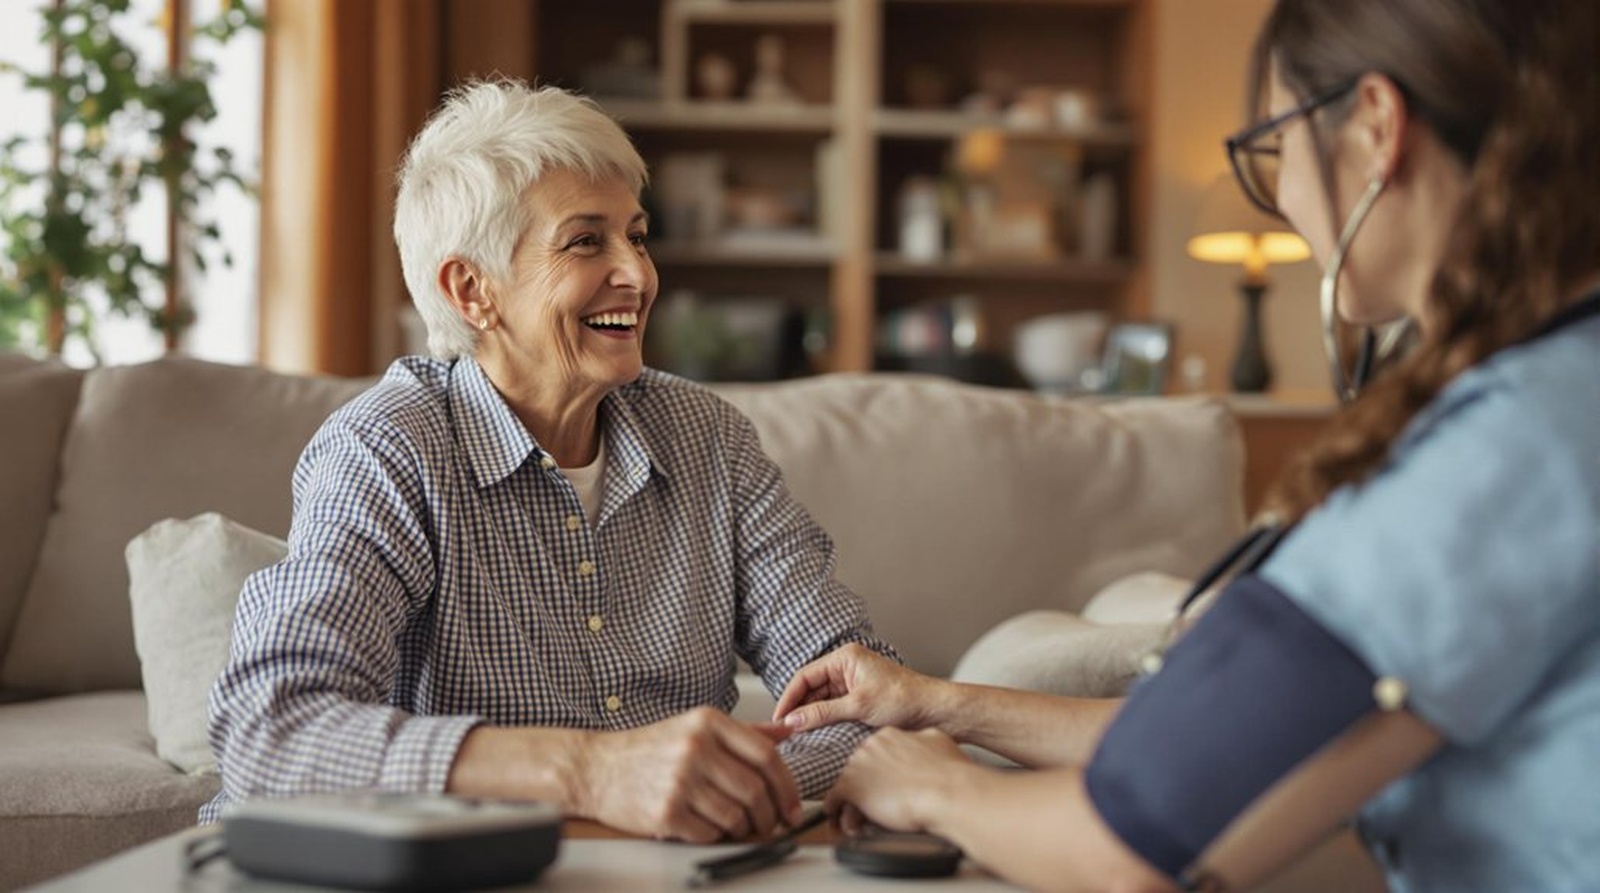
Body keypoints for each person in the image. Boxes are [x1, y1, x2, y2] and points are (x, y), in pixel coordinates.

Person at [774, 1, 1599, 890]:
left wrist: (934, 787)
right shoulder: (1563, 393)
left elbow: (1130, 843)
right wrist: (936, 702)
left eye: (1277, 150)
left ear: (1375, 126)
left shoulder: (1498, 455)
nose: (1284, 199)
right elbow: (1227, 744)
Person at [203, 81, 898, 843]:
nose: (638, 274)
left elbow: (867, 702)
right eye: (586, 240)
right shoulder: (389, 449)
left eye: (636, 234)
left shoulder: (710, 440)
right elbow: (271, 732)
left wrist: (717, 791)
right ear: (471, 290)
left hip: (677, 864)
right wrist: (592, 775)